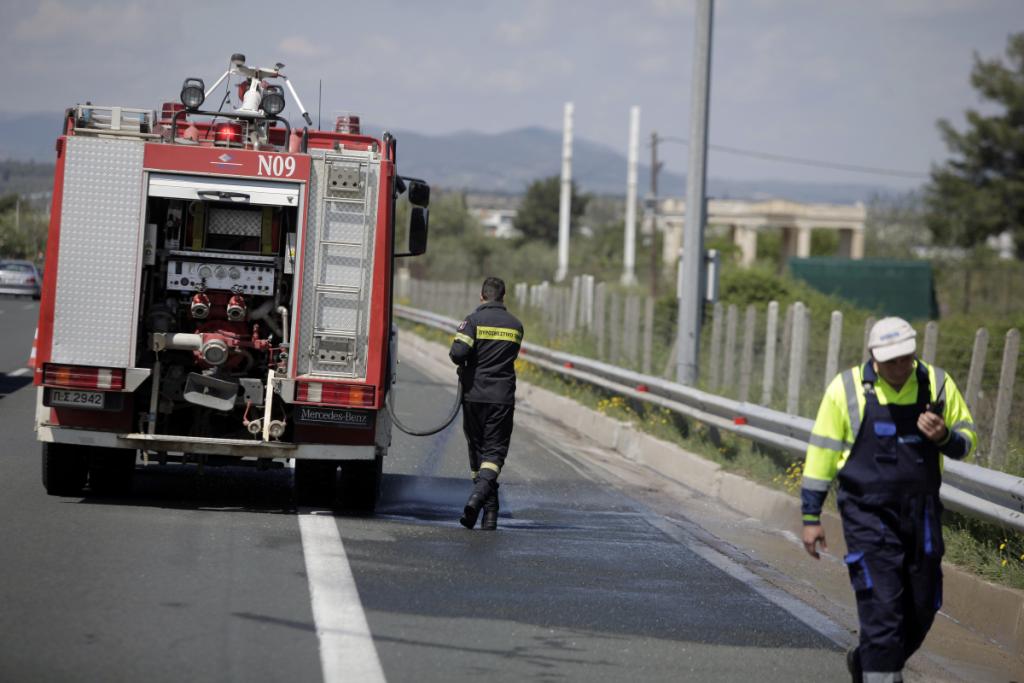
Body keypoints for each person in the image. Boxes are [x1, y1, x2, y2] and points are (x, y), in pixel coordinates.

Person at [800, 317, 976, 683]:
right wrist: (811, 516)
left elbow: (967, 440)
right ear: (873, 356)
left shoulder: (937, 383)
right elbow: (821, 454)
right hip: (867, 516)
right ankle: (882, 673)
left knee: (922, 607)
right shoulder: (846, 388)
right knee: (883, 609)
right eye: (890, 361)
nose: (899, 368)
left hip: (923, 515)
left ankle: (867, 661)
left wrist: (944, 436)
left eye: (905, 359)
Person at [449, 276, 524, 530]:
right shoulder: (516, 325)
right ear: (503, 297)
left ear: (482, 296)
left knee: (479, 451)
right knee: (493, 453)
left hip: (473, 396)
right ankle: (488, 512)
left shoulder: (473, 320)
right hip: (502, 398)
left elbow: (458, 354)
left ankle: (478, 501)